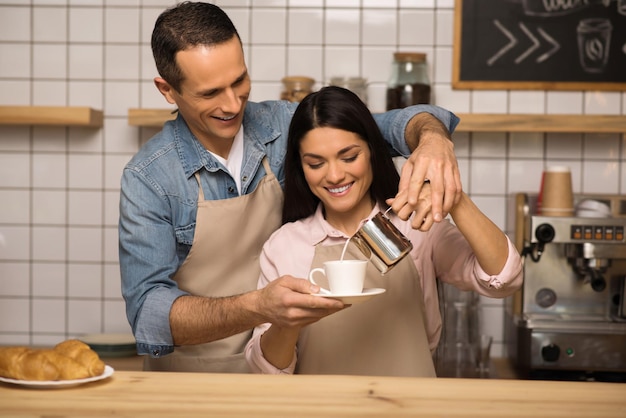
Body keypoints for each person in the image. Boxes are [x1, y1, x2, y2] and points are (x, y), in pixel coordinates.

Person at [119, 1, 462, 373]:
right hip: (195, 385)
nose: (232, 104)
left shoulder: (283, 125)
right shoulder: (149, 179)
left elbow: (376, 128)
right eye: (211, 93)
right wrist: (257, 306)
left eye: (239, 81)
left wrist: (431, 137)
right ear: (167, 90)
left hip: (282, 375)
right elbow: (148, 312)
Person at [244, 86, 523, 377]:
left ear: (373, 152)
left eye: (349, 157)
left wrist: (451, 196)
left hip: (414, 407)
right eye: (316, 163)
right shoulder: (285, 245)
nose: (335, 175)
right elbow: (267, 373)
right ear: (300, 168)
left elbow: (504, 279)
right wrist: (286, 322)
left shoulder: (414, 226)